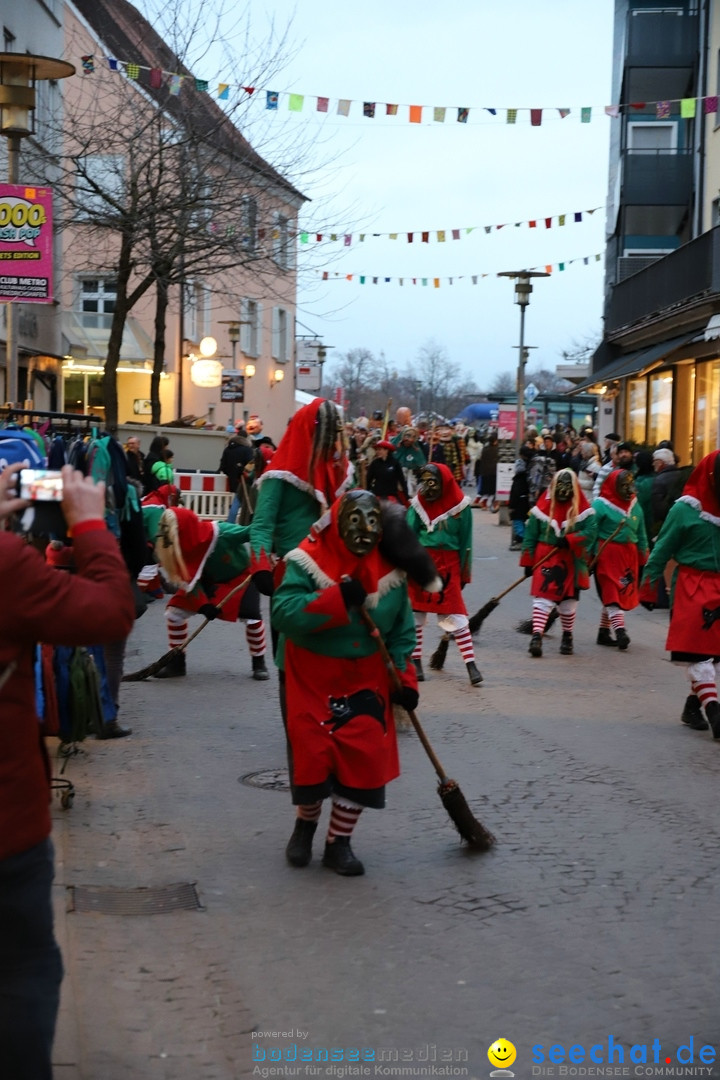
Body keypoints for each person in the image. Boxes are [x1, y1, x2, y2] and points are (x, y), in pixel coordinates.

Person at [0, 462, 134, 1080]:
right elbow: (108, 611)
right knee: (22, 972)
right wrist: (88, 526)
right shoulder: (6, 566)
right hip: (6, 825)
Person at [271, 489, 419, 876]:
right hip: (310, 672)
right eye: (355, 520)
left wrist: (405, 681)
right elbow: (284, 612)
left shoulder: (392, 571)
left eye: (372, 522)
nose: (364, 531)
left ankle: (340, 843)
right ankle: (305, 825)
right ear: (338, 521)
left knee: (363, 755)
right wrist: (336, 598)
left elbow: (402, 632)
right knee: (315, 754)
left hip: (365, 675)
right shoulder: (306, 560)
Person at [640, 450, 720, 736]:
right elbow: (662, 549)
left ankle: (691, 706)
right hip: (692, 586)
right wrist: (649, 585)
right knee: (699, 653)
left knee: (714, 654)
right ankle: (714, 710)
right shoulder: (684, 509)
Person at [248, 398, 353, 599]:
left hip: (333, 568)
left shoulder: (339, 470)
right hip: (293, 570)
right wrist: (261, 566)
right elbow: (262, 525)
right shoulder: (278, 475)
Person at [150, 506, 270, 680]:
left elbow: (251, 533)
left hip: (240, 578)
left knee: (253, 618)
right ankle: (176, 662)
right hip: (207, 582)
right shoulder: (182, 551)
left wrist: (261, 529)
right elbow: (191, 582)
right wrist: (204, 605)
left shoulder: (221, 533)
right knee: (174, 612)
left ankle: (259, 662)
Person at [406, 463, 482, 686]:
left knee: (454, 616)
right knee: (416, 613)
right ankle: (416, 661)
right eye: (425, 482)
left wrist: (464, 574)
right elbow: (409, 536)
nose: (428, 488)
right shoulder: (418, 504)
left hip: (448, 565)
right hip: (422, 561)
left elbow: (466, 542)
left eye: (433, 482)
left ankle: (471, 664)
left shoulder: (461, 507)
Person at [519, 468, 596, 658]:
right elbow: (530, 535)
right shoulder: (540, 509)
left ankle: (567, 636)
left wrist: (571, 539)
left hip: (571, 559)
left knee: (568, 602)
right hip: (546, 556)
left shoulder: (584, 510)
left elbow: (591, 532)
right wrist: (528, 562)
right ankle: (537, 635)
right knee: (542, 598)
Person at [591, 468, 649, 650]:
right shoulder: (600, 505)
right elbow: (590, 532)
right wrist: (589, 554)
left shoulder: (635, 505)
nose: (628, 489)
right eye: (623, 485)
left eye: (629, 485)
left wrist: (643, 554)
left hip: (628, 556)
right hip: (607, 553)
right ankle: (620, 631)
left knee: (619, 591)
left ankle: (603, 631)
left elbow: (641, 531)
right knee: (611, 590)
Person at [219, 424, 254, 524]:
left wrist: (231, 473)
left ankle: (230, 522)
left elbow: (223, 466)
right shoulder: (247, 449)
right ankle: (244, 523)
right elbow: (251, 464)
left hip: (232, 480)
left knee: (236, 502)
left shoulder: (227, 449)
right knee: (244, 502)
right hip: (244, 480)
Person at [473, 432, 499, 510]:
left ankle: (483, 502)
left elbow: (479, 458)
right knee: (493, 490)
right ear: (495, 441)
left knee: (486, 489)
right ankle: (490, 503)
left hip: (484, 472)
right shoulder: (497, 450)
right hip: (494, 472)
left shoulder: (484, 448)